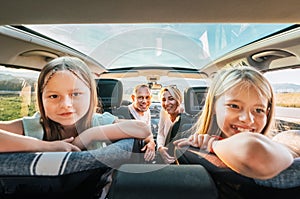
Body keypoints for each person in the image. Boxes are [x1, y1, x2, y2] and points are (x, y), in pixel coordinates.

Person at [0, 56, 151, 152]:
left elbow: (142, 129)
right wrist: (47, 147)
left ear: (91, 95)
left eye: (75, 94)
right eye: (53, 96)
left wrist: (88, 135)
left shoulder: (97, 121)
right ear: (41, 99)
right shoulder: (32, 126)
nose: (66, 104)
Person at [174, 66, 299, 181]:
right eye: (234, 106)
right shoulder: (194, 153)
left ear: (267, 113)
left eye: (258, 110)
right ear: (213, 107)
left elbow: (255, 151)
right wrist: (213, 144)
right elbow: (252, 151)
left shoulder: (277, 145)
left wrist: (213, 143)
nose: (247, 119)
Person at [115, 84, 156, 162]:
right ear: (133, 98)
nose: (144, 101)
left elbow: (148, 132)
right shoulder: (122, 113)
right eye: (140, 97)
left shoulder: (147, 112)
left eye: (147, 97)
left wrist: (151, 143)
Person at [156, 85, 186, 164]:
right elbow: (161, 134)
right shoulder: (163, 113)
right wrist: (160, 148)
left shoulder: (185, 116)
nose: (166, 103)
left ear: (178, 100)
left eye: (171, 99)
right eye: (163, 100)